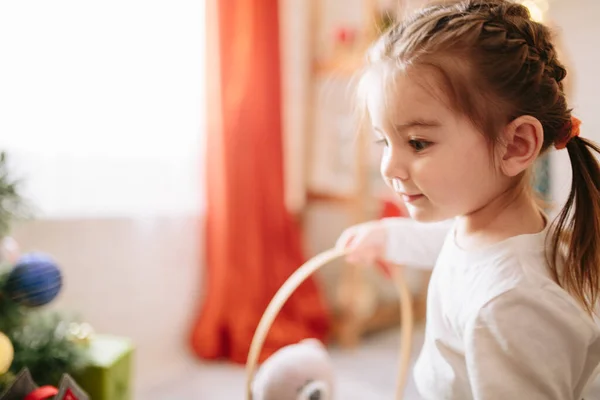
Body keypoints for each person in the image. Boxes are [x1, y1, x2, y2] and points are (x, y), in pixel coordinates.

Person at [335, 1, 600, 399]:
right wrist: (387, 237)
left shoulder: (512, 308)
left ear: (515, 145)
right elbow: (452, 247)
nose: (389, 166)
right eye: (383, 141)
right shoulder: (485, 226)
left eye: (417, 143)